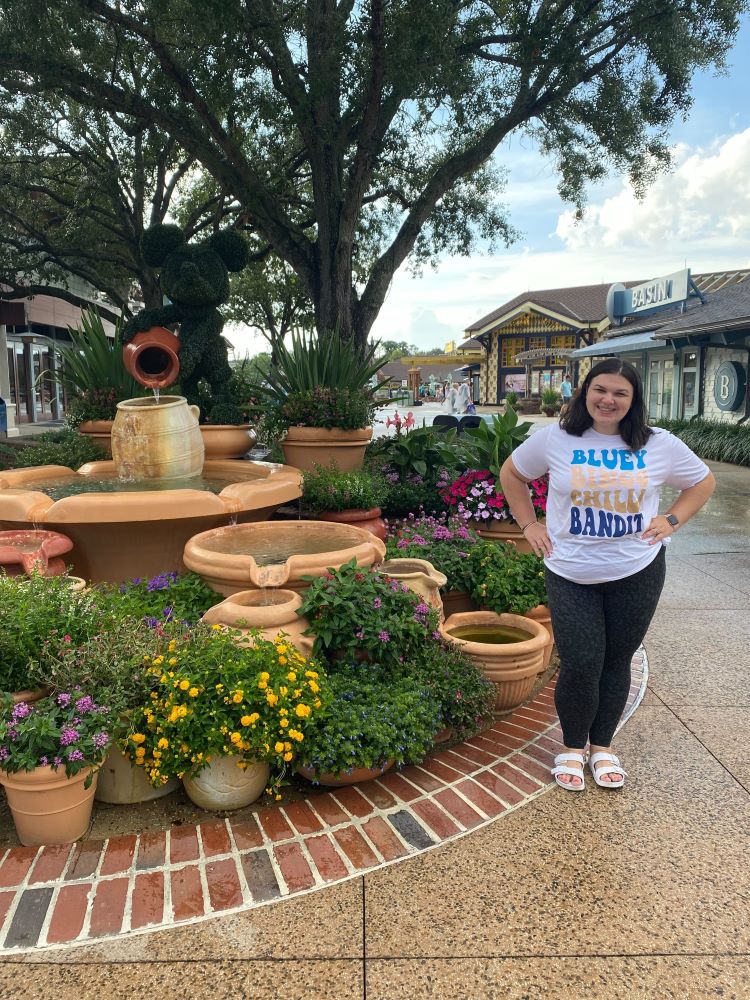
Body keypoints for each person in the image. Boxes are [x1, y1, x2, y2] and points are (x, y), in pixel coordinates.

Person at [499, 358, 715, 792]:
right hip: (570, 569)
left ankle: (602, 747)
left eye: (620, 393)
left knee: (617, 659)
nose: (608, 399)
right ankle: (571, 748)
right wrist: (529, 525)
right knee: (581, 661)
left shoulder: (659, 444)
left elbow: (702, 482)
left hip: (637, 568)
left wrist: (671, 520)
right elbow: (512, 473)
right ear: (585, 392)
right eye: (600, 389)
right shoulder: (557, 438)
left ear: (634, 401)